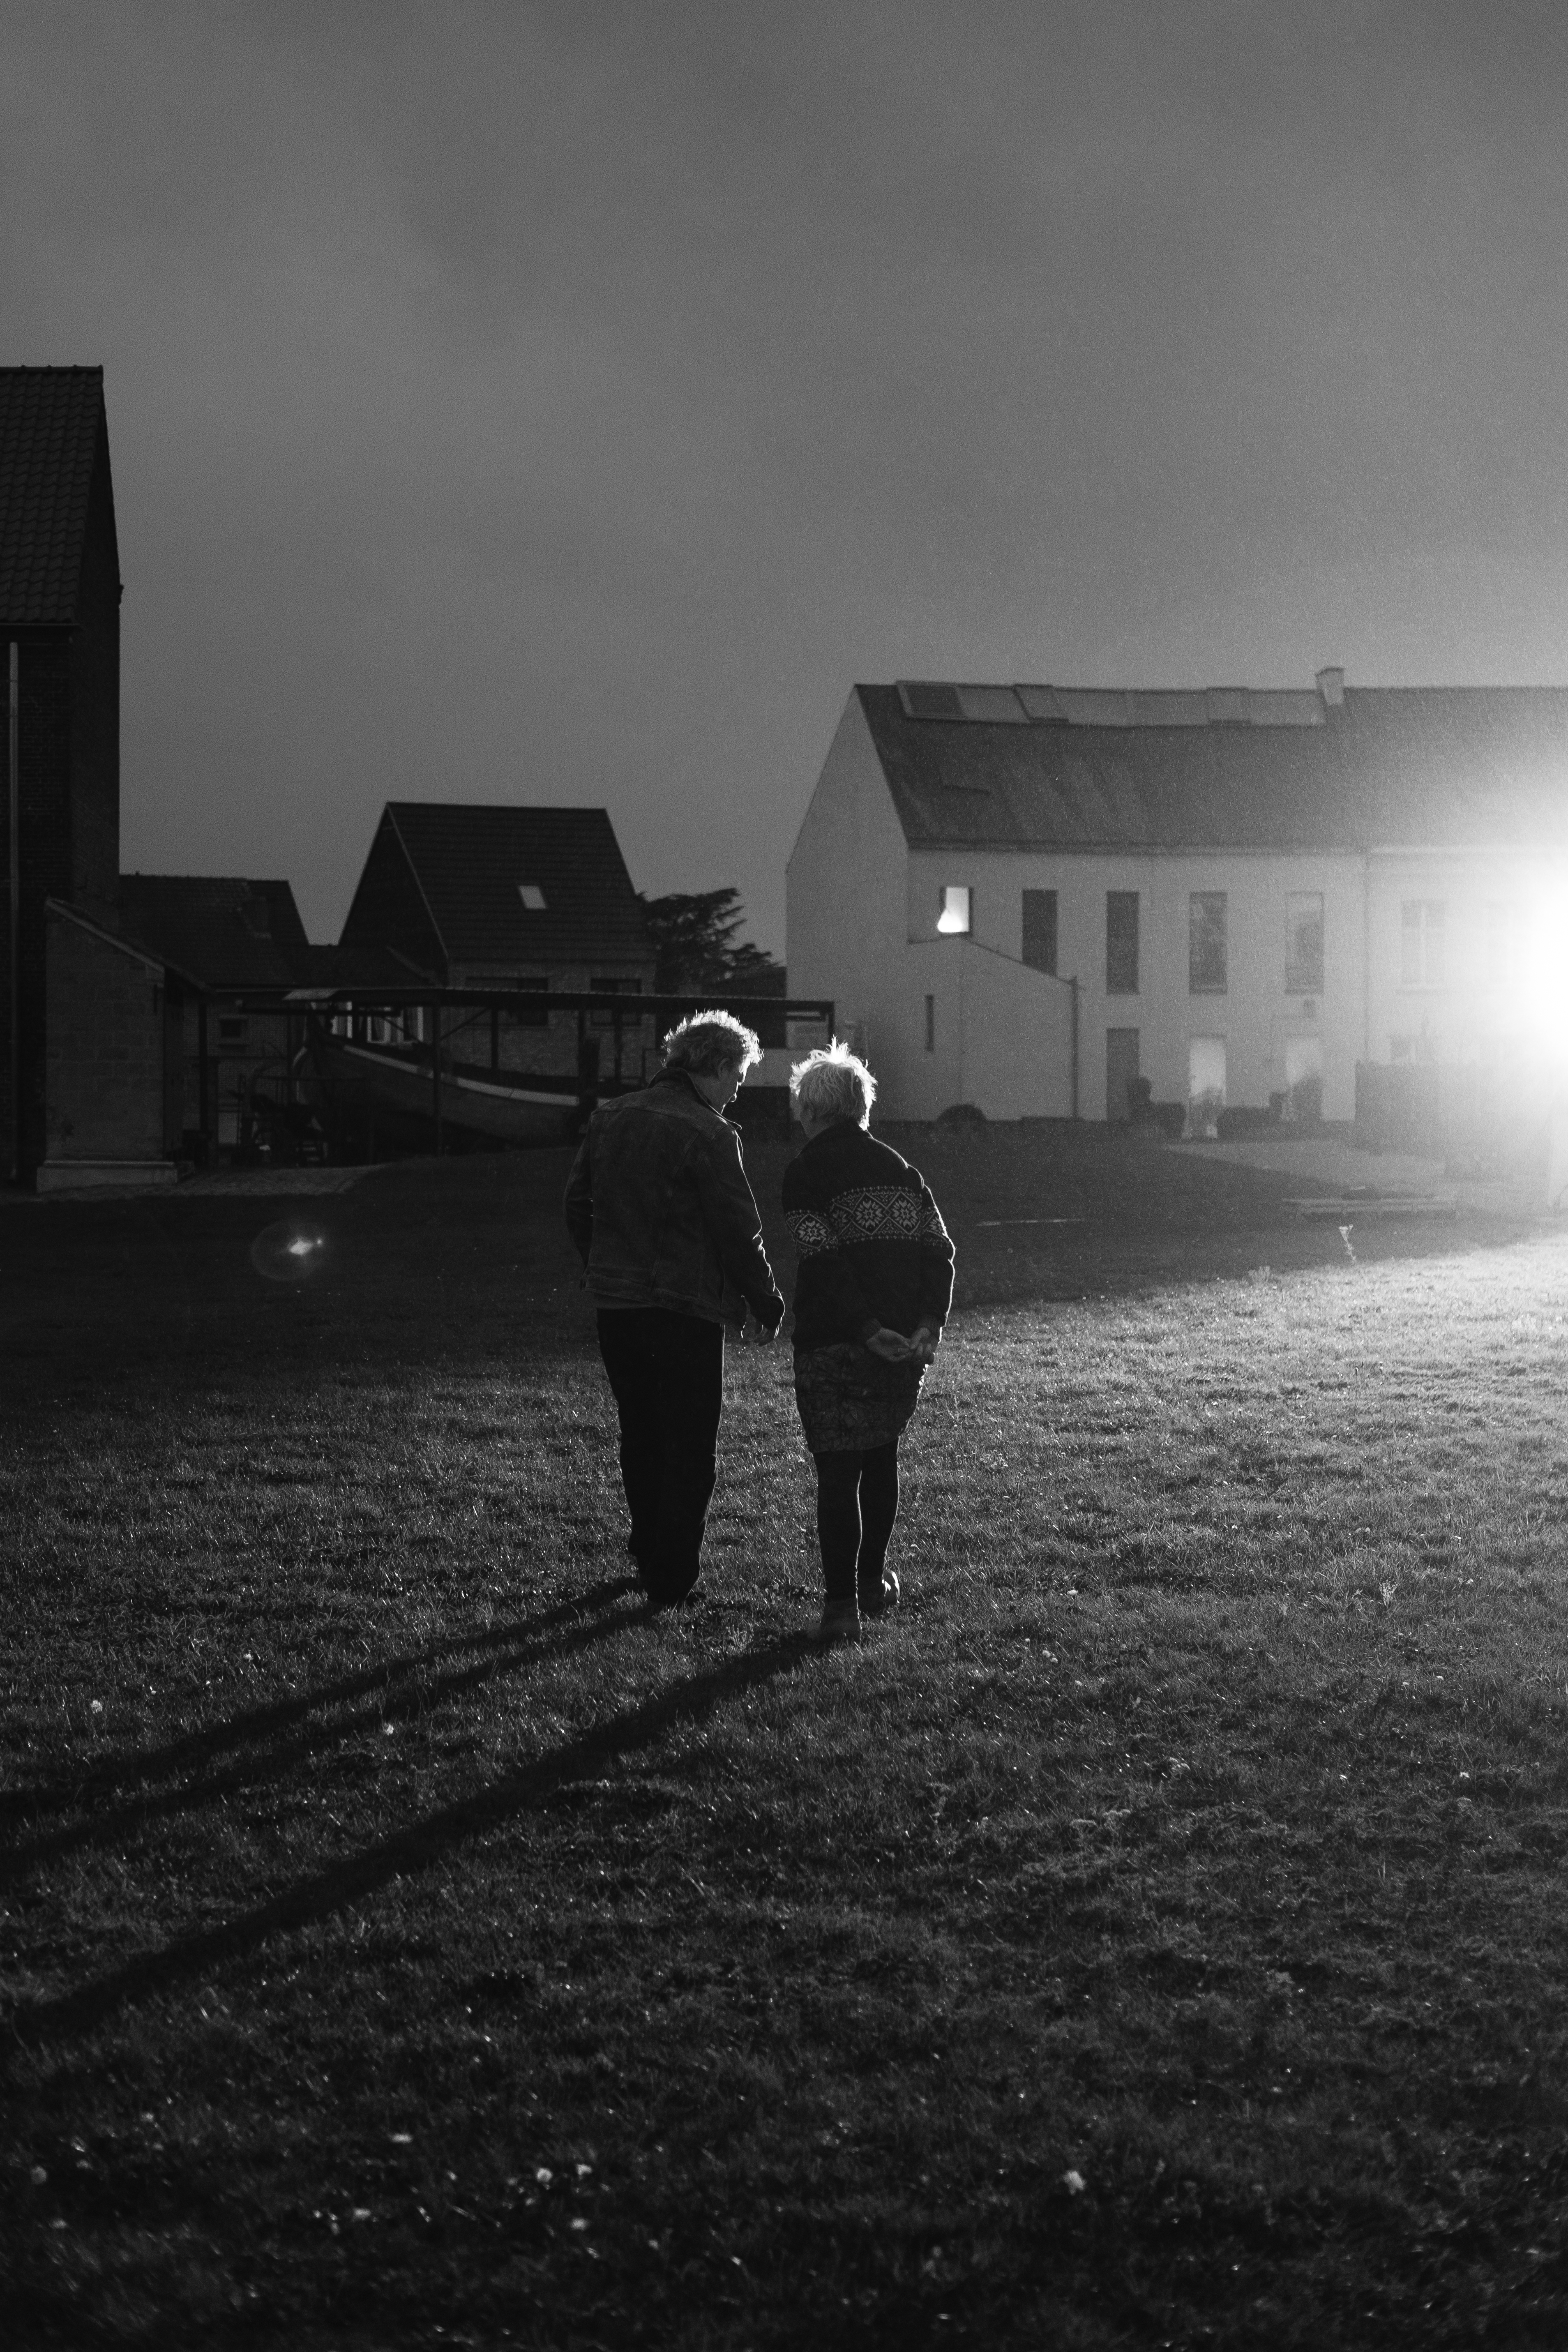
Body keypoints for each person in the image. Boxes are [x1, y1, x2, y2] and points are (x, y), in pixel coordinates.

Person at [564, 1010, 786, 1607]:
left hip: (618, 1304)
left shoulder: (609, 1117)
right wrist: (766, 1301)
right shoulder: (711, 1134)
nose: (738, 1089)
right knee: (690, 1443)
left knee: (640, 1432)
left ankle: (645, 1549)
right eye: (737, 1076)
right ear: (714, 1068)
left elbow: (577, 1203)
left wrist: (603, 1261)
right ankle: (673, 1575)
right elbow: (740, 1231)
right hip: (685, 1310)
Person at [782, 1041, 955, 1644]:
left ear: (811, 1109)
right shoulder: (903, 1170)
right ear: (860, 1107)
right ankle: (871, 1584)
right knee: (881, 1459)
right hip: (903, 1345)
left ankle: (839, 1610)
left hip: (835, 1344)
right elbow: (940, 1251)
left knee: (838, 1471)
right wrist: (928, 1323)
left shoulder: (805, 1172)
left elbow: (822, 1261)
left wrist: (862, 1329)